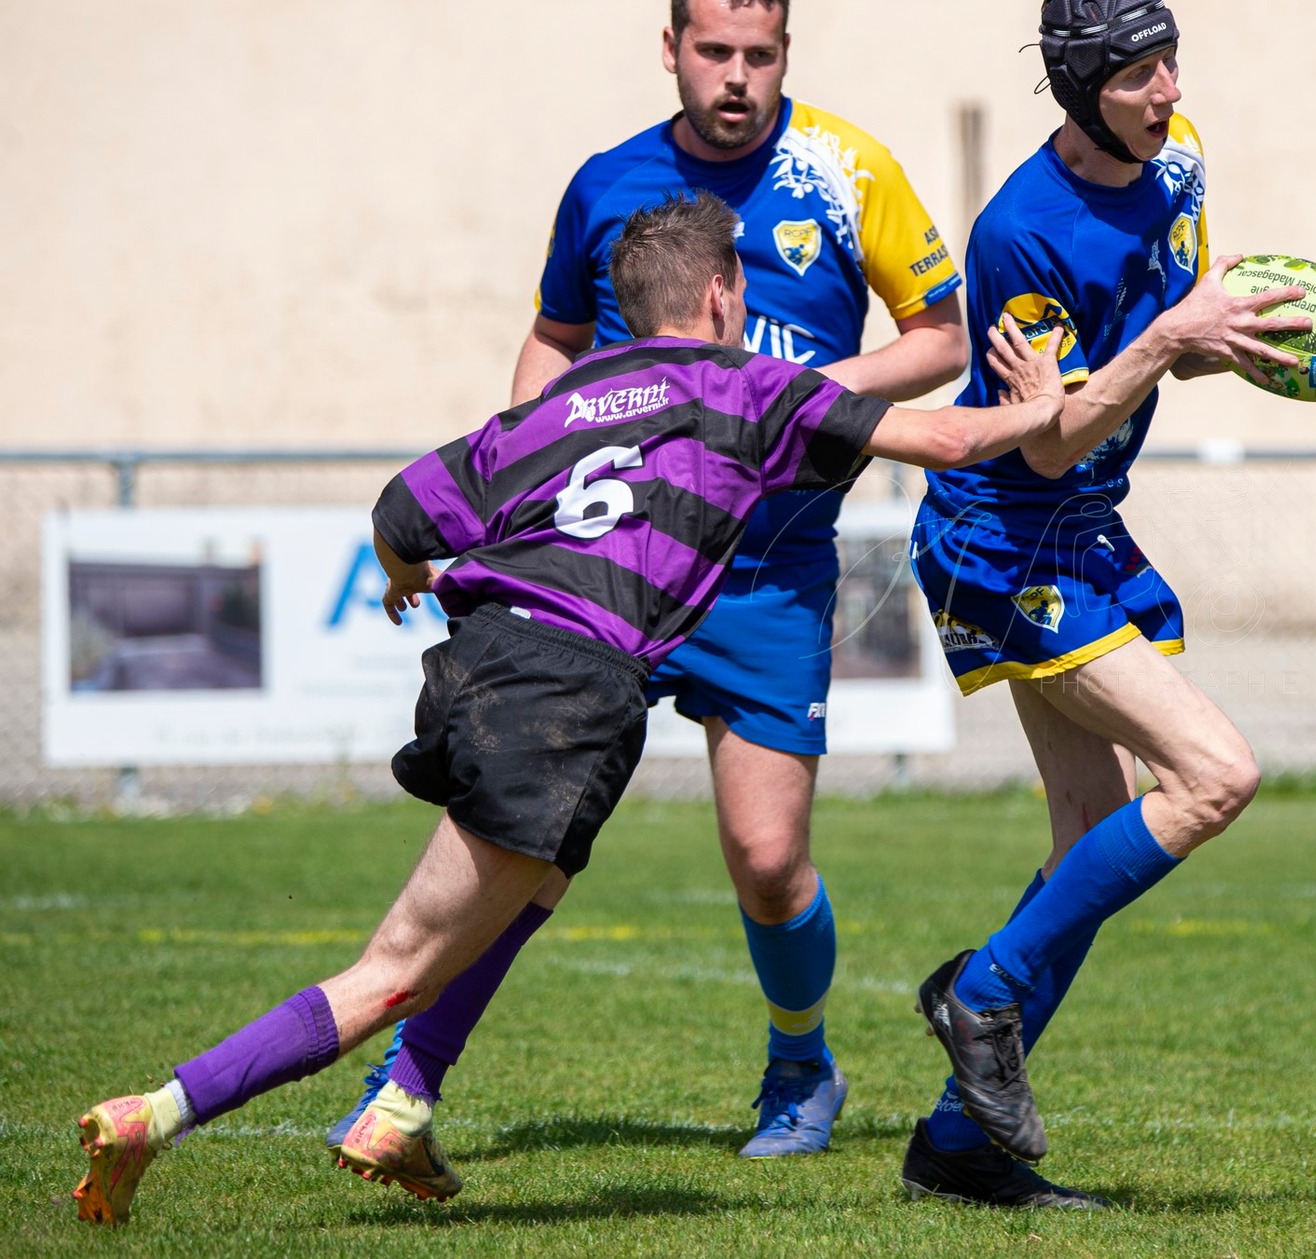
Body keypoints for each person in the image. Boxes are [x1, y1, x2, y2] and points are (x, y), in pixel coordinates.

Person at [71, 191, 1062, 1225]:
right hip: (570, 693)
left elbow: (401, 511)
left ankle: (403, 1105)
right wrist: (1050, 398)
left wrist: (404, 574)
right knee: (393, 970)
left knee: (534, 885)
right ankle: (157, 1112)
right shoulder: (742, 385)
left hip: (481, 665)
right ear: (722, 295)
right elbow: (947, 441)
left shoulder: (560, 401)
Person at [330, 0, 968, 1165]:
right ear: (669, 46)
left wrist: (801, 392)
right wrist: (517, 477)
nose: (737, 77)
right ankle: (406, 1083)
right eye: (714, 51)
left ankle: (799, 1065)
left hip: (769, 569)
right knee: (533, 842)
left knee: (768, 858)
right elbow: (553, 343)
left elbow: (939, 338)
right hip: (610, 573)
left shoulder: (848, 171)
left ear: (787, 53)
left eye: (761, 55)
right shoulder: (607, 183)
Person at [898, 0, 1311, 1210]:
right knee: (1214, 775)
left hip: (1077, 534)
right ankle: (979, 993)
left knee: (1091, 836)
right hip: (1003, 535)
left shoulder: (1177, 162)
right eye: (1138, 73)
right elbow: (1046, 438)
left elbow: (1156, 357)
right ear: (1080, 87)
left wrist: (1216, 340)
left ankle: (956, 1151)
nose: (1168, 90)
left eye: (1170, 60)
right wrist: (1169, 340)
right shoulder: (1020, 229)